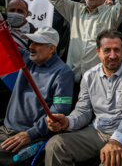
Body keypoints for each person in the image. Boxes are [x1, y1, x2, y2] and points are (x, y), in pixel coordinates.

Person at [45, 29, 122, 166]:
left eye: (116, 50)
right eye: (107, 50)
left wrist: (116, 140)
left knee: (110, 162)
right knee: (56, 145)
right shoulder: (89, 76)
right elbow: (83, 111)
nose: (112, 55)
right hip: (97, 132)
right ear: (98, 51)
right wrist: (67, 121)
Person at [0, 26, 74, 166]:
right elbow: (5, 45)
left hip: (28, 137)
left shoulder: (63, 73)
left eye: (37, 43)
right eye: (31, 42)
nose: (31, 47)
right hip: (6, 129)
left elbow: (59, 111)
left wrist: (31, 134)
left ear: (51, 48)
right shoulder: (26, 59)